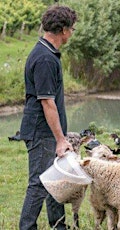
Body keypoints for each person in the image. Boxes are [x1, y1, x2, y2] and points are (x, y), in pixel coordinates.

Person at [19, 5, 77, 230]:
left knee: (56, 181)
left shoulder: (48, 53)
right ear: (62, 30)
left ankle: (59, 226)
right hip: (41, 132)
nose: (72, 33)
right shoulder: (44, 59)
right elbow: (47, 102)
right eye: (71, 29)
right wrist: (60, 139)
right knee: (39, 184)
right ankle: (26, 227)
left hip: (49, 131)